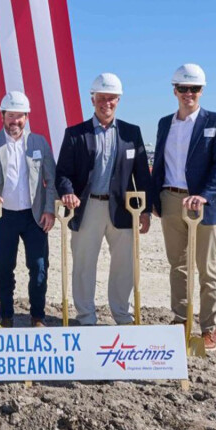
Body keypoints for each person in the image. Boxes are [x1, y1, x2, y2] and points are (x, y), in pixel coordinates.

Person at [149, 64, 216, 351]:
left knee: (207, 269)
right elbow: (159, 163)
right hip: (171, 201)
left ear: (202, 90)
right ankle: (181, 320)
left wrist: (204, 195)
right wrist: (155, 199)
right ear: (174, 90)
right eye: (183, 88)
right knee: (178, 265)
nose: (188, 93)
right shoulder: (164, 123)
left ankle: (209, 327)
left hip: (203, 205)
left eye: (194, 88)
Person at [56, 73, 151, 326]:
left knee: (124, 265)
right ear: (92, 99)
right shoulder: (75, 134)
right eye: (101, 98)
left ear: (118, 100)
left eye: (111, 98)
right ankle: (86, 317)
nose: (106, 103)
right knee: (84, 265)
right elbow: (62, 172)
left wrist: (145, 211)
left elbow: (142, 174)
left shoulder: (131, 133)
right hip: (87, 208)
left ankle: (122, 315)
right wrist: (67, 192)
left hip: (123, 209)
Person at [0, 91, 57, 327]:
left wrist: (49, 209)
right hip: (4, 216)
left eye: (19, 116)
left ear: (26, 117)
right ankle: (6, 316)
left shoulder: (39, 142)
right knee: (4, 267)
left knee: (39, 266)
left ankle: (37, 316)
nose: (15, 121)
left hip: (35, 216)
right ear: (2, 116)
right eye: (10, 116)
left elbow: (51, 179)